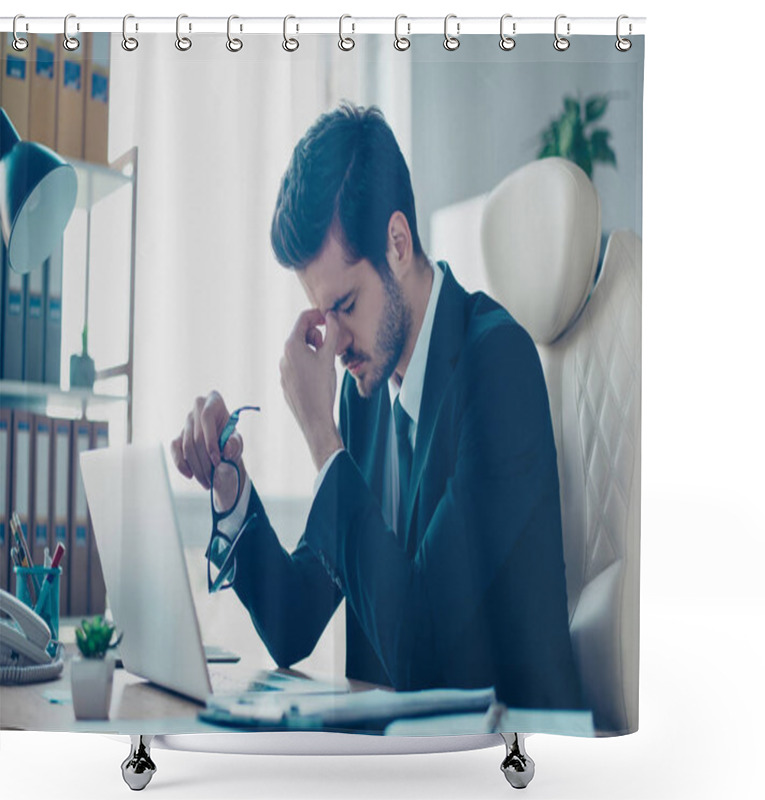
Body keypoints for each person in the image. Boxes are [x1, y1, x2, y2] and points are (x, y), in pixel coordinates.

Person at [171, 102, 583, 710]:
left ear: (396, 242)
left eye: (344, 305)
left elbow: (421, 653)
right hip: (405, 754)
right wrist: (229, 486)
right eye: (321, 312)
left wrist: (319, 435)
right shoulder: (364, 398)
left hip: (500, 757)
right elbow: (292, 624)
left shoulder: (497, 369)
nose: (333, 343)